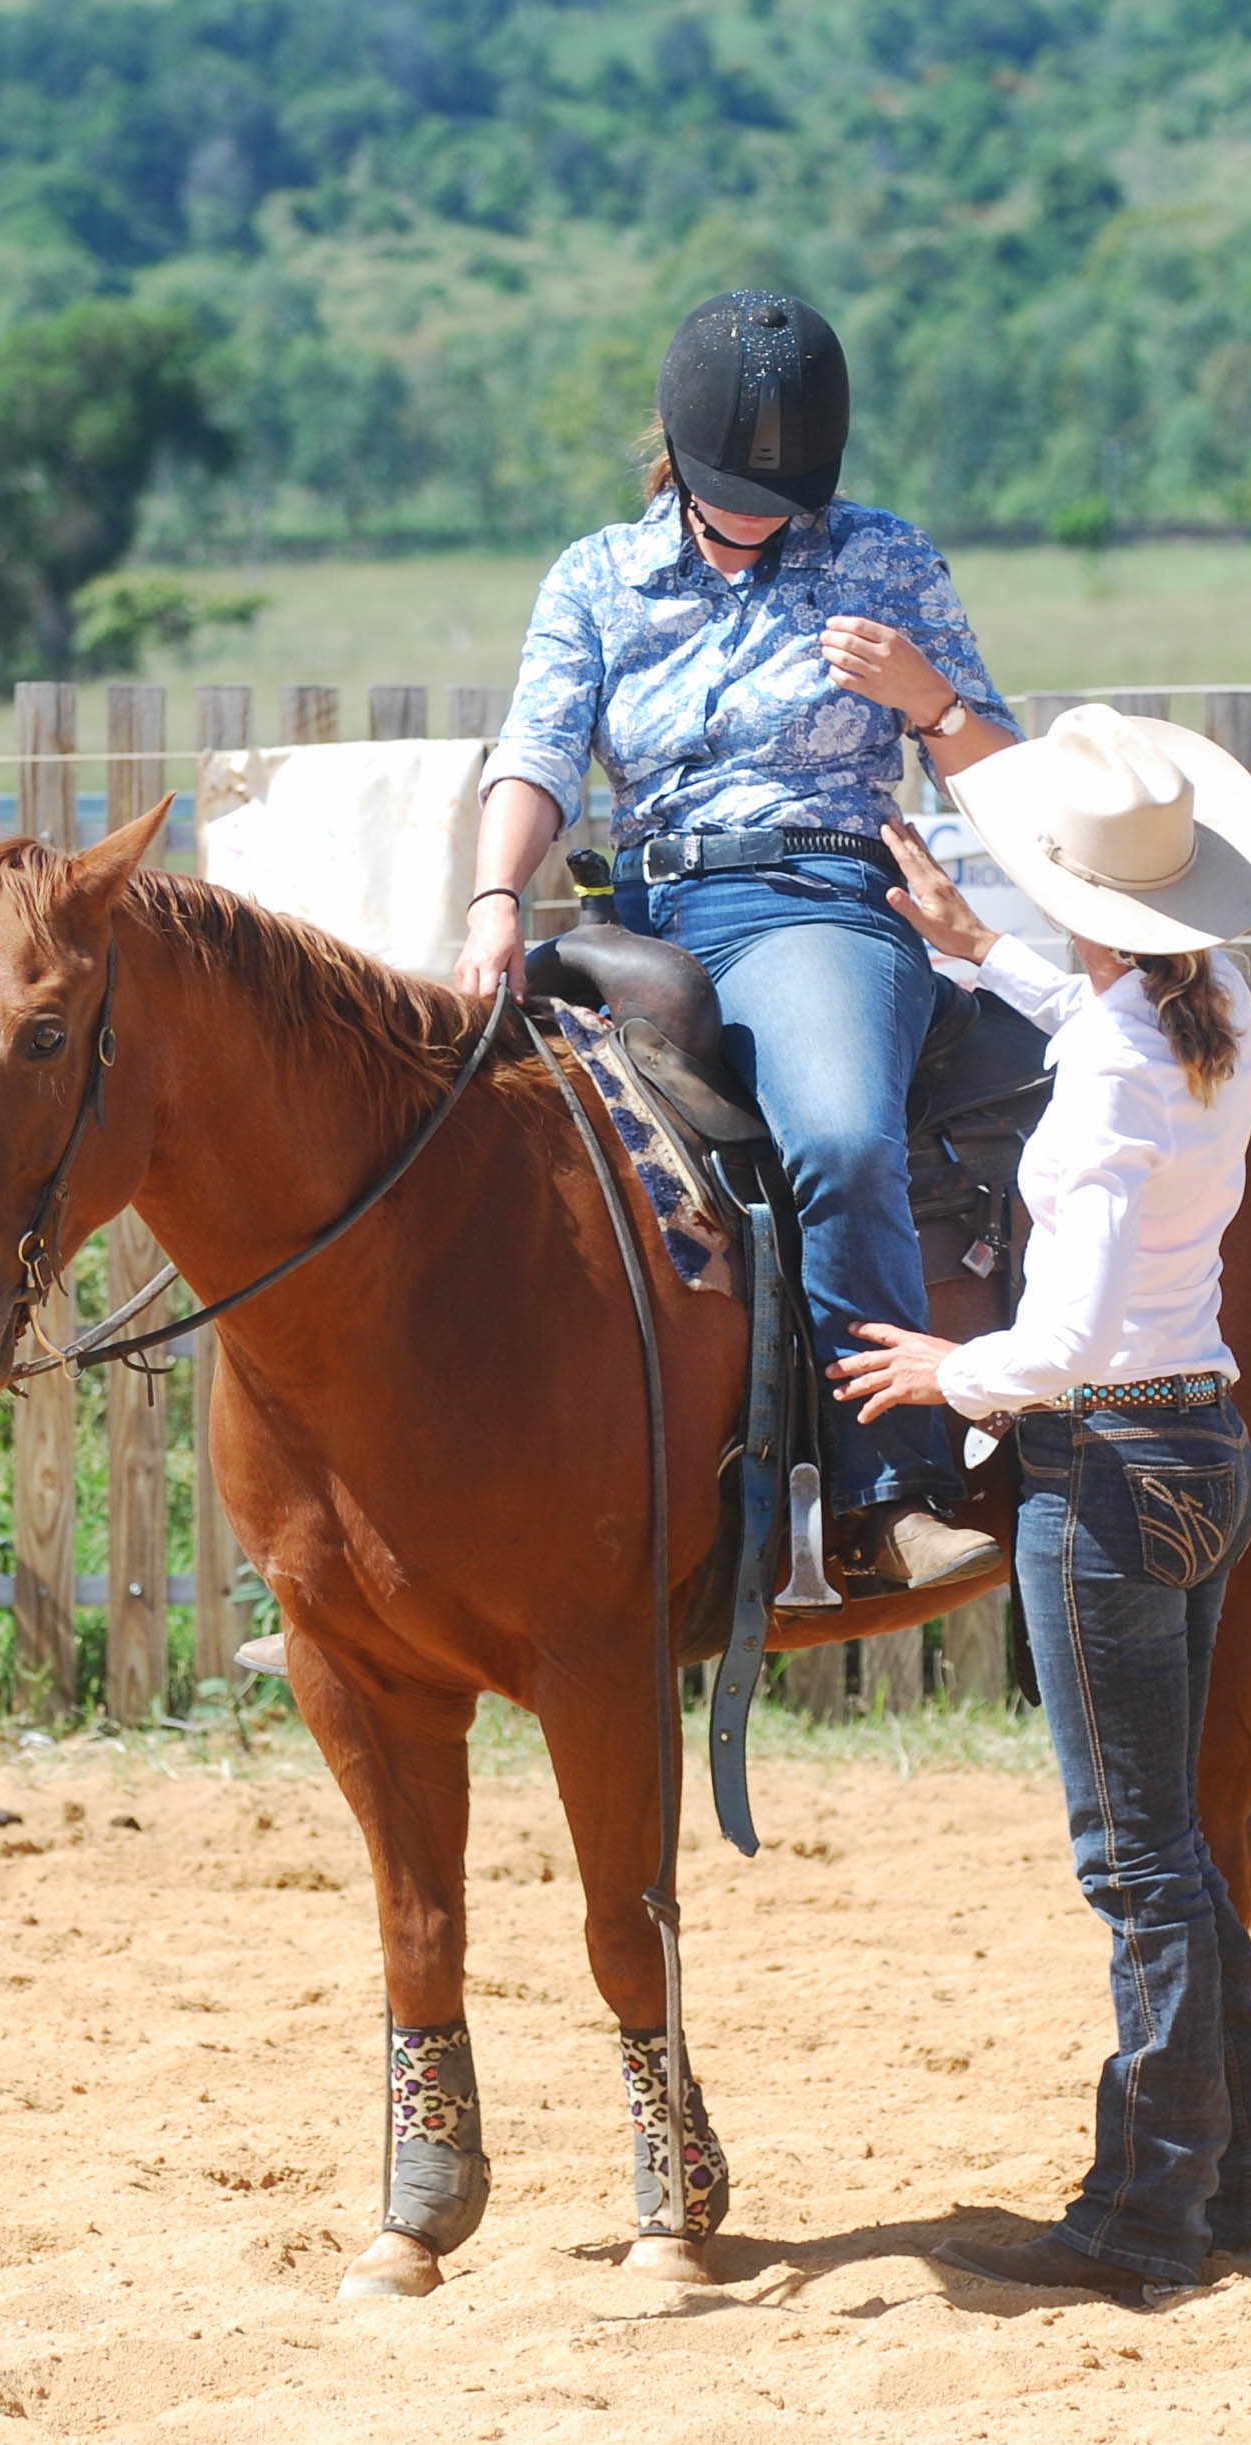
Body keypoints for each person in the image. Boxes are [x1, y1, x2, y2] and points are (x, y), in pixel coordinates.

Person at [828, 703, 1251, 2299]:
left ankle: (1150, 2209)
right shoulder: (1205, 999)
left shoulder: (1105, 1089)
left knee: (1134, 1857)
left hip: (1100, 1467)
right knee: (1176, 1843)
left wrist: (938, 1372)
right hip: (1208, 1444)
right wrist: (980, 954)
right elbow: (1094, 1019)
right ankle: (1244, 2181)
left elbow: (1069, 1340)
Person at [460, 289, 1015, 1591]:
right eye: (734, 491)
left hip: (815, 906)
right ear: (677, 454)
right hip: (634, 916)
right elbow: (536, 755)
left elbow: (1001, 771)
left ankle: (893, 1492)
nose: (762, 517)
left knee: (833, 1133)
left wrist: (928, 702)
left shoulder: (888, 561)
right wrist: (494, 902)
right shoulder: (594, 577)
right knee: (437, 1126)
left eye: (784, 494)